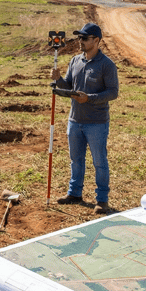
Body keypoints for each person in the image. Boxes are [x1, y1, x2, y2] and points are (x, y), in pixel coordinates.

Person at [50, 22, 119, 214]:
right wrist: (58, 80)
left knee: (99, 162)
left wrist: (89, 98)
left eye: (84, 38)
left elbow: (113, 92)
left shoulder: (107, 65)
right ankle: (74, 194)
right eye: (79, 37)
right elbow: (68, 86)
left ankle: (102, 200)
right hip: (75, 120)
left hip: (97, 123)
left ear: (96, 41)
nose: (80, 41)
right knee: (76, 159)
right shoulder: (75, 61)